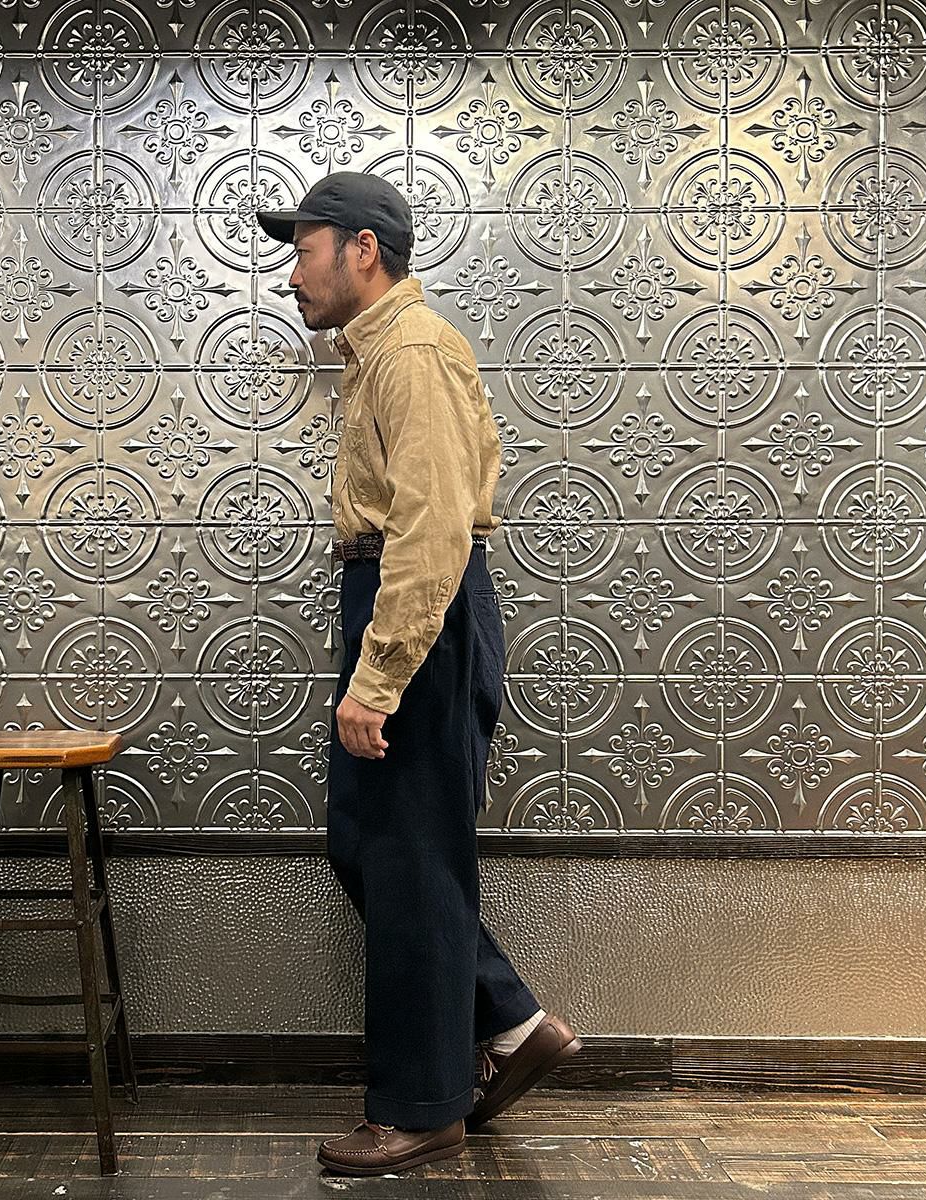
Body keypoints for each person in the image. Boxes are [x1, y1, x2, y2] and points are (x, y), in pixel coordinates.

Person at [256, 172, 582, 1177]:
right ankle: (511, 1027)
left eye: (304, 250)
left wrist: (379, 677)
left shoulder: (413, 351)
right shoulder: (383, 353)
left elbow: (434, 528)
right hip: (402, 603)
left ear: (363, 249)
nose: (293, 274)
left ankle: (420, 1109)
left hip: (420, 611)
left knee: (406, 858)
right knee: (375, 847)